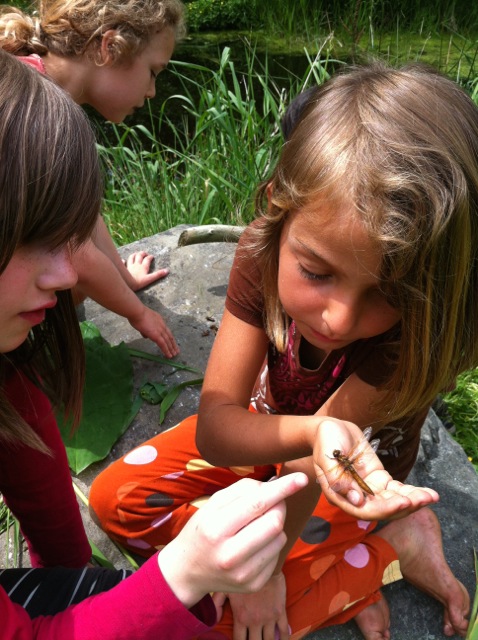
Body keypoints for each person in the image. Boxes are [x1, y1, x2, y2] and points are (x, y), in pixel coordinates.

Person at [89, 61, 476, 640]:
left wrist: (262, 568)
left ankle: (388, 543)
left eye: (386, 293)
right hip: (278, 439)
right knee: (113, 499)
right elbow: (217, 428)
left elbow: (313, 468)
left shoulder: (410, 334)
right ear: (278, 207)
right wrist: (260, 552)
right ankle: (333, 572)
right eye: (317, 272)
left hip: (347, 481)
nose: (340, 318)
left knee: (221, 623)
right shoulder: (257, 254)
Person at [0, 50, 314, 639]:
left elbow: (30, 448)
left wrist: (79, 581)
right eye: (32, 238)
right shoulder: (255, 264)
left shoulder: (10, 368)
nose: (69, 277)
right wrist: (183, 574)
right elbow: (220, 427)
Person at [0, 0, 185, 358]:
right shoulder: (34, 115)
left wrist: (121, 275)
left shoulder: (44, 91)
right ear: (109, 47)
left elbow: (81, 218)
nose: (152, 91)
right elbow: (75, 251)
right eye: (153, 72)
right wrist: (138, 313)